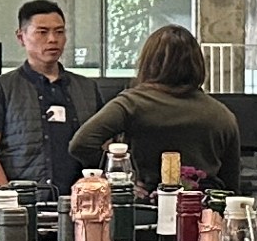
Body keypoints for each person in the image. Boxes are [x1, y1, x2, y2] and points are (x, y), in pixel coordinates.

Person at [72, 24, 243, 191]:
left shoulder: (131, 103)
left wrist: (119, 177)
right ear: (197, 64)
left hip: (144, 207)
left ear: (149, 63)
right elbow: (231, 185)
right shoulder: (222, 115)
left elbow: (81, 143)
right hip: (203, 209)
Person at [0, 0, 105, 197]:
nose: (53, 39)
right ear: (21, 37)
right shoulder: (2, 87)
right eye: (42, 32)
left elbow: (105, 147)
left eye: (59, 32)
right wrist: (3, 200)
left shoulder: (87, 88)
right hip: (24, 202)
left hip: (81, 202)